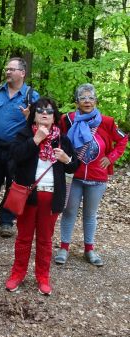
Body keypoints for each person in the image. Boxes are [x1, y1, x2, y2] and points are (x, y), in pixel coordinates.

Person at [5, 98, 78, 295]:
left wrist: (66, 159)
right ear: (34, 115)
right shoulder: (24, 135)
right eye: (40, 110)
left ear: (54, 117)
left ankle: (43, 277)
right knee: (24, 238)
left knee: (45, 240)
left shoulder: (62, 139)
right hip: (28, 195)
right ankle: (17, 274)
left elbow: (74, 166)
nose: (45, 114)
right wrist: (35, 140)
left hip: (52, 197)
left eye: (49, 111)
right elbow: (15, 158)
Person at [54, 84, 128, 267]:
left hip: (97, 177)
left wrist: (111, 158)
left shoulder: (107, 122)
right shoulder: (67, 119)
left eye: (91, 98)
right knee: (69, 211)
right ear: (76, 102)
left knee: (90, 214)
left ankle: (89, 249)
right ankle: (64, 248)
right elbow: (56, 135)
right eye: (83, 98)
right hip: (73, 175)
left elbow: (123, 139)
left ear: (96, 101)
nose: (87, 101)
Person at [0, 57, 40, 237]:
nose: (7, 72)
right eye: (7, 69)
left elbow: (39, 124)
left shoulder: (31, 96)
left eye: (12, 69)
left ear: (22, 73)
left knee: (13, 187)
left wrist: (29, 117)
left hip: (18, 150)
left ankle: (7, 221)